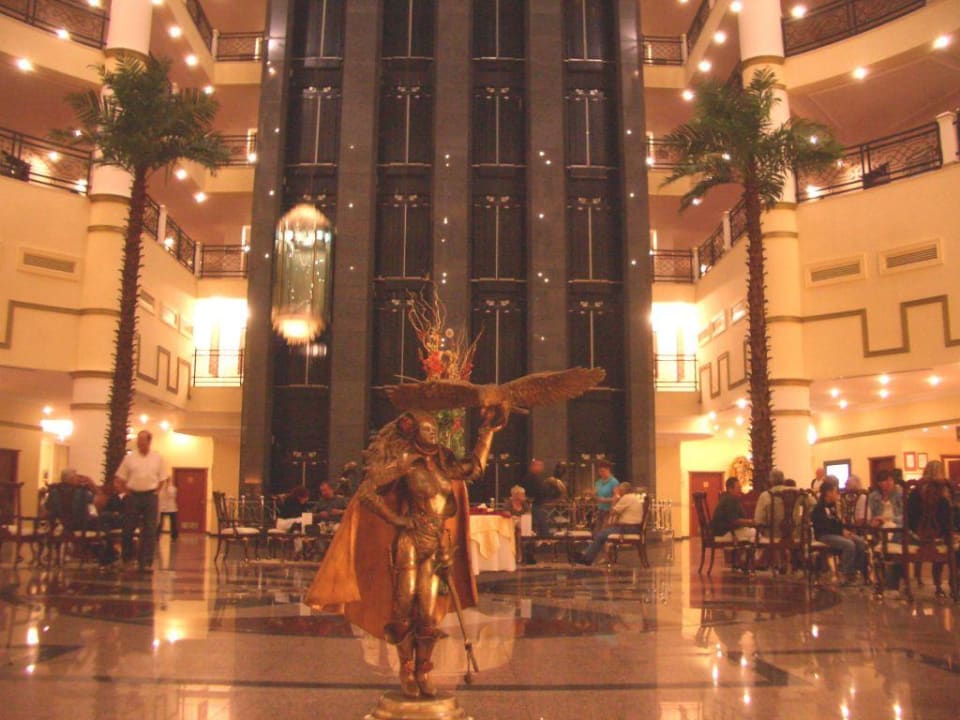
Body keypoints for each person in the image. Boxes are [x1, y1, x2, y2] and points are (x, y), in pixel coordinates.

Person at [306, 405, 507, 699]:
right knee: (402, 606)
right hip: (409, 542)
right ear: (414, 432)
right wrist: (397, 519)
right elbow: (367, 492)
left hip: (436, 544)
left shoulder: (444, 461)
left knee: (428, 613)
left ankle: (423, 669)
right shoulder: (404, 463)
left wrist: (487, 431)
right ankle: (406, 668)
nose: (433, 434)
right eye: (427, 429)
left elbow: (473, 468)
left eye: (435, 429)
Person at [115, 430, 168, 573]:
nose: (139, 443)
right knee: (128, 528)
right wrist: (125, 493)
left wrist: (156, 491)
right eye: (138, 440)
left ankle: (146, 561)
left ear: (149, 441)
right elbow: (120, 478)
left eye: (142, 440)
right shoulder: (129, 458)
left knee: (150, 530)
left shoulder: (157, 458)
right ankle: (127, 559)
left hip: (150, 496)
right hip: (133, 496)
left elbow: (163, 478)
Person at [906, 460, 957, 598]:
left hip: (916, 536)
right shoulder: (943, 496)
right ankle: (947, 584)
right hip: (939, 537)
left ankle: (927, 582)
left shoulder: (915, 492)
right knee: (953, 546)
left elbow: (910, 519)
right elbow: (946, 521)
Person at [811, 478, 867, 586]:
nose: (838, 494)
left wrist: (844, 530)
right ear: (828, 493)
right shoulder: (819, 508)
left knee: (859, 541)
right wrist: (841, 532)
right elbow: (824, 526)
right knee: (849, 544)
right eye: (835, 491)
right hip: (824, 535)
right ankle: (845, 574)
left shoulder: (833, 506)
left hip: (837, 533)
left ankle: (856, 571)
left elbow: (837, 523)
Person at [576, 483, 646, 565]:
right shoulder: (634, 498)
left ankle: (587, 558)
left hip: (627, 529)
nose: (619, 491)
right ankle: (587, 555)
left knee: (600, 535)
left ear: (624, 490)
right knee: (603, 533)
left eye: (620, 490)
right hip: (634, 528)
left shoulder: (626, 498)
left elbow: (612, 512)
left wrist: (615, 498)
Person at [867, 469, 904, 592]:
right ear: (879, 483)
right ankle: (887, 573)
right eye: (884, 481)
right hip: (880, 526)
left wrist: (889, 519)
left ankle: (892, 574)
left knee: (894, 534)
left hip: (897, 524)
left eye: (890, 480)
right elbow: (869, 516)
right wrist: (874, 521)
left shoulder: (900, 494)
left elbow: (905, 515)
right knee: (882, 535)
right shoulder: (873, 496)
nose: (888, 483)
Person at [711, 477, 757, 543]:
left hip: (722, 531)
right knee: (756, 534)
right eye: (738, 488)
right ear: (730, 489)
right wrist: (750, 521)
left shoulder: (726, 498)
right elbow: (734, 520)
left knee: (750, 536)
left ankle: (743, 548)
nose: (740, 490)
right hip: (725, 533)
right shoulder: (730, 500)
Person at [521, 458, 552, 538]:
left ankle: (544, 539)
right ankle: (544, 540)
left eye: (542, 465)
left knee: (542, 524)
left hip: (539, 504)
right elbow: (528, 492)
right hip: (534, 505)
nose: (541, 467)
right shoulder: (529, 478)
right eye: (539, 465)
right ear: (533, 466)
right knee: (542, 525)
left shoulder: (538, 478)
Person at [593, 460, 620, 530]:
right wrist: (593, 495)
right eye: (599, 471)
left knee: (604, 531)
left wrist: (605, 500)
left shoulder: (614, 482)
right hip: (600, 510)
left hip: (609, 511)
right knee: (597, 531)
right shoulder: (598, 482)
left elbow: (617, 497)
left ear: (608, 470)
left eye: (603, 471)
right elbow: (595, 494)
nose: (601, 473)